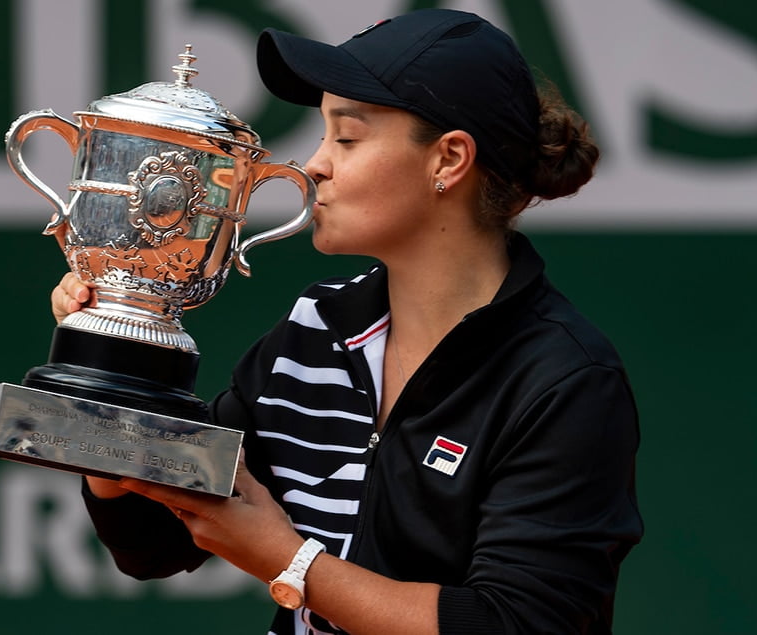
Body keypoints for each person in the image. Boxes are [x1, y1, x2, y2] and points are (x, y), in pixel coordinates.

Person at [52, 9, 642, 634]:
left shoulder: (565, 379)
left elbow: (515, 624)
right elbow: (154, 544)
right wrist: (111, 364)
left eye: (347, 138)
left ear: (449, 159)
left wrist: (289, 560)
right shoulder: (317, 328)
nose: (314, 165)